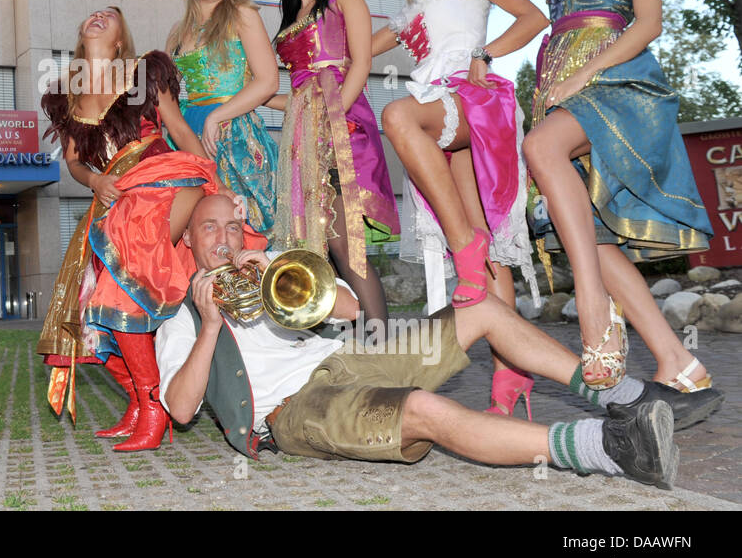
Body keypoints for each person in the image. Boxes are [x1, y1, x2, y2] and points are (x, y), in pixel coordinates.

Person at [157, 194, 720, 485]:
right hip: (293, 409)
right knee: (425, 408)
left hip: (348, 359)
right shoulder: (178, 320)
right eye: (211, 227)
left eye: (232, 226)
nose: (226, 239)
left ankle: (625, 399)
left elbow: (352, 310)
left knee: (481, 307)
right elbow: (181, 410)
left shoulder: (269, 273)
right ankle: (614, 450)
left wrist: (276, 265)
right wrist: (210, 325)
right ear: (189, 240)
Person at [524, 0, 721, 407]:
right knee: (595, 239)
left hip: (617, 85)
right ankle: (679, 362)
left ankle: (591, 304)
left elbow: (650, 22)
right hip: (567, 88)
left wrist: (582, 73)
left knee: (540, 147)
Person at [372, 0, 549, 419]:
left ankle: (462, 247)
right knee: (489, 245)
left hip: (474, 98)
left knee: (399, 117)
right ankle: (510, 375)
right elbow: (357, 52)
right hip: (442, 110)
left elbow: (534, 16)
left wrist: (486, 54)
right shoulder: (414, 10)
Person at [37, 6, 223, 451]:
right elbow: (75, 163)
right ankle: (140, 403)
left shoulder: (143, 72)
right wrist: (95, 181)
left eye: (110, 14)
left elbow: (178, 129)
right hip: (115, 201)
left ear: (121, 38)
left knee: (117, 289)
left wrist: (219, 188)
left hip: (166, 180)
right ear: (82, 35)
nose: (98, 15)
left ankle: (156, 406)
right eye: (92, 14)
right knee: (88, 312)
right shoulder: (66, 95)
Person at [266, 0, 398, 327]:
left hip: (343, 122)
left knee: (346, 246)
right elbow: (296, 95)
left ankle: (383, 346)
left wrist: (334, 114)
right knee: (319, 245)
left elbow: (361, 61)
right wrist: (250, 98)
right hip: (303, 132)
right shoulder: (289, 16)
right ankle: (344, 343)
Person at [167, 0, 279, 233]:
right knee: (196, 232)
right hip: (186, 139)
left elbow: (268, 81)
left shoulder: (243, 15)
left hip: (232, 135)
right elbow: (167, 100)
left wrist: (217, 116)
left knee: (244, 229)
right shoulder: (176, 33)